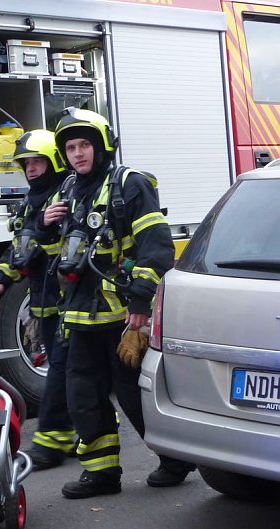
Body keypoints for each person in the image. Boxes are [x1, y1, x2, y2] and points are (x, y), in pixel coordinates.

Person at [49, 107, 195, 499]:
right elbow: (58, 255)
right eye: (71, 147)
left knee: (133, 394)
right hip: (79, 317)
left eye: (84, 145)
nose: (77, 154)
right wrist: (48, 224)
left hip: (121, 316)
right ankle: (101, 474)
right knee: (82, 397)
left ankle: (175, 458)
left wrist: (140, 305)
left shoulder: (128, 185)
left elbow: (158, 248)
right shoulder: (66, 191)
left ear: (101, 146)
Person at [0, 129, 74, 470]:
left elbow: (67, 240)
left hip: (71, 302)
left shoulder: (68, 194)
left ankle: (51, 440)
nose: (31, 168)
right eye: (26, 163)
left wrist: (43, 224)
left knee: (66, 371)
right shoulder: (32, 201)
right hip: (45, 302)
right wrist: (0, 281)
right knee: (70, 372)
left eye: (37, 161)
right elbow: (22, 245)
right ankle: (78, 431)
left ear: (53, 161)